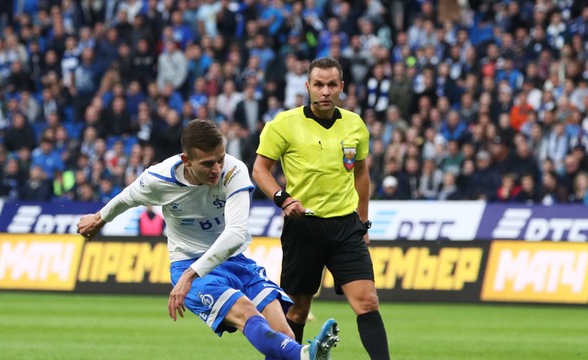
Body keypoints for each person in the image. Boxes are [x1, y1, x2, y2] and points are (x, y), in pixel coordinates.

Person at [77, 119, 338, 360]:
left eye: (220, 159)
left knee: (285, 338)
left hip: (231, 261)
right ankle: (306, 355)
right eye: (207, 164)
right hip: (189, 265)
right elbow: (126, 198)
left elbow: (235, 234)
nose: (217, 169)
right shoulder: (158, 179)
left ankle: (300, 354)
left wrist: (190, 276)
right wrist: (99, 218)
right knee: (247, 313)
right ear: (186, 160)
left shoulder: (234, 171)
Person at [253, 57, 391, 360]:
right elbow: (260, 169)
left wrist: (363, 222)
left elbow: (361, 174)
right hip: (304, 226)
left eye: (331, 85)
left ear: (341, 87)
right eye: (319, 84)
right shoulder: (283, 124)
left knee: (367, 302)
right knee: (298, 311)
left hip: (345, 227)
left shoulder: (355, 124)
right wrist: (282, 198)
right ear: (308, 87)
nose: (325, 91)